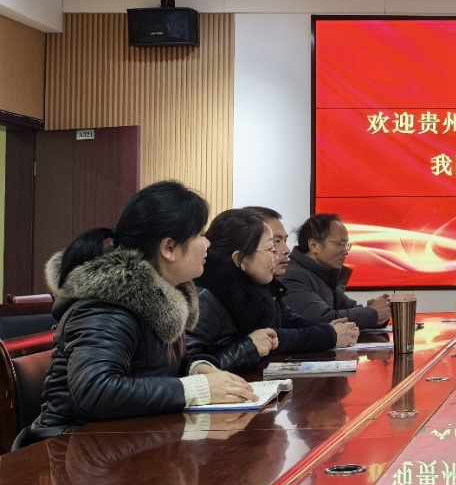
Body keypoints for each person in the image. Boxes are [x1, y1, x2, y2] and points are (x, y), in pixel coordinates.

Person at [14, 180, 256, 450]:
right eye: (200, 234)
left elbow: (151, 367)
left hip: (121, 442)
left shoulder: (162, 296)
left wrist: (195, 368)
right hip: (70, 450)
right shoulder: (110, 305)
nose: (207, 243)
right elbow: (96, 391)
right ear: (169, 248)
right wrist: (197, 388)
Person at [186, 209, 359, 374]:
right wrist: (250, 347)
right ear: (240, 259)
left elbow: (290, 322)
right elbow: (190, 368)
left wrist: (330, 331)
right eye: (271, 249)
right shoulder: (205, 297)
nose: (277, 256)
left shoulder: (259, 287)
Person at [279, 213, 392, 329]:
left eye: (346, 245)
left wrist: (378, 311)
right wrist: (372, 313)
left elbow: (350, 310)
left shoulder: (325, 275)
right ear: (313, 245)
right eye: (340, 244)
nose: (345, 252)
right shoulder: (292, 276)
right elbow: (322, 319)